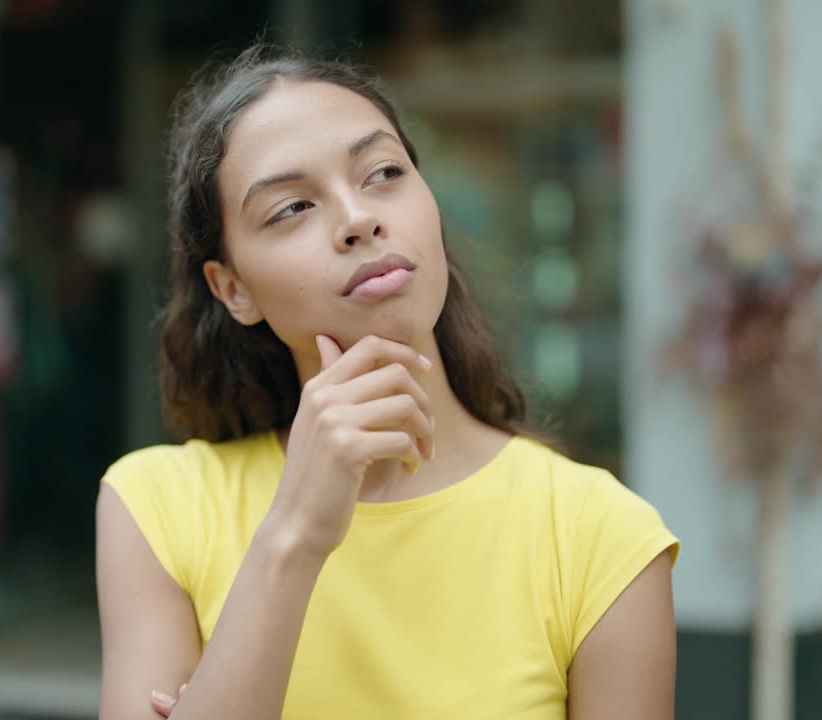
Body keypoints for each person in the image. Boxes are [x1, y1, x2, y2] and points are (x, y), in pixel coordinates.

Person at [95, 44, 680, 720]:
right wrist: (295, 533)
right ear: (232, 289)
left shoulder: (599, 536)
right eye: (291, 209)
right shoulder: (157, 508)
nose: (357, 219)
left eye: (383, 172)